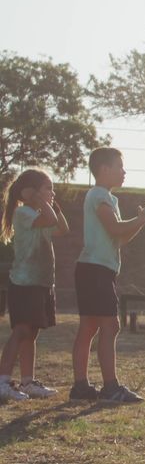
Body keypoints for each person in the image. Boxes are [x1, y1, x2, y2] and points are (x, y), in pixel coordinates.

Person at [70, 147, 145, 402]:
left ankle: (81, 387)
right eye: (120, 167)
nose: (124, 172)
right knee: (110, 325)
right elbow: (114, 228)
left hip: (96, 269)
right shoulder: (99, 195)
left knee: (90, 327)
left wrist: (143, 220)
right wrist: (142, 217)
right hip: (96, 270)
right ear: (104, 169)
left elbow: (120, 237)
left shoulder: (107, 198)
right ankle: (110, 387)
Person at [0, 169, 69, 400]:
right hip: (24, 282)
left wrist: (51, 203)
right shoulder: (24, 213)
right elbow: (50, 220)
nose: (52, 192)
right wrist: (40, 201)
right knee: (21, 331)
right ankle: (3, 381)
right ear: (30, 192)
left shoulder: (41, 213)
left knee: (32, 333)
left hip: (41, 282)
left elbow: (62, 228)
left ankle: (27, 382)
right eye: (48, 188)